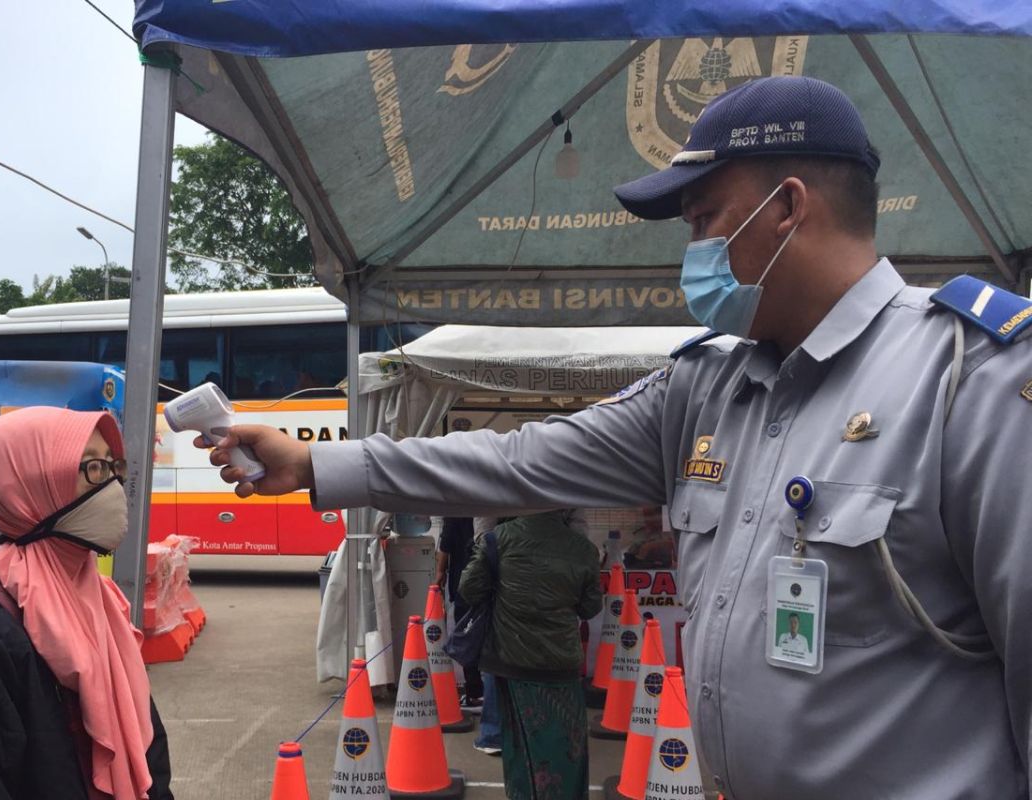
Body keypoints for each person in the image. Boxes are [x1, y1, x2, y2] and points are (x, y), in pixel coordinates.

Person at [203, 76, 1032, 799]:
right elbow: (520, 463)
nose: (693, 250)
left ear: (786, 208)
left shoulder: (972, 381)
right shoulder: (704, 386)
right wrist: (319, 461)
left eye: (705, 218)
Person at [0, 407, 173, 800]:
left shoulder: (106, 607)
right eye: (92, 467)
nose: (111, 484)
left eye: (113, 466)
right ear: (27, 487)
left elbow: (150, 759)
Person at [456, 511, 602, 798]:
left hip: (512, 663)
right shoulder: (584, 549)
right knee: (565, 747)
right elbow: (590, 608)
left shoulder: (498, 540)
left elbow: (469, 589)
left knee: (519, 746)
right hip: (562, 665)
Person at [433, 517, 485, 712]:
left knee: (467, 635)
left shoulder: (456, 507)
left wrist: (440, 571)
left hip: (464, 580)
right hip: (492, 581)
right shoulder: (493, 501)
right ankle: (488, 692)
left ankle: (475, 693)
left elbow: (445, 543)